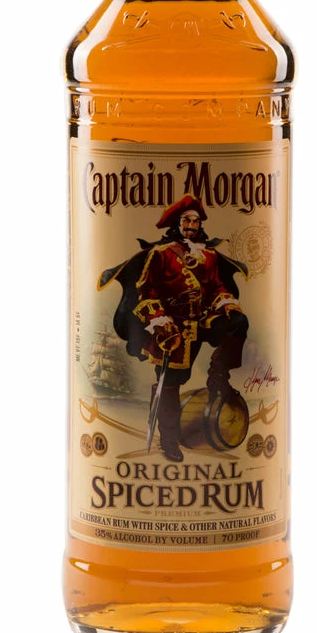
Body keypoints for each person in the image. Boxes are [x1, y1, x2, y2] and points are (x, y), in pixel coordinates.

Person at [98, 195, 249, 461]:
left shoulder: (209, 255)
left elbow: (216, 287)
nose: (191, 225)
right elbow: (146, 291)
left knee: (238, 323)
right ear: (177, 224)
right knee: (170, 382)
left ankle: (218, 377)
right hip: (172, 326)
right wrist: (160, 322)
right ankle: (169, 439)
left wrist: (226, 303)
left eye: (195, 221)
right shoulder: (161, 254)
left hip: (202, 319)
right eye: (186, 220)